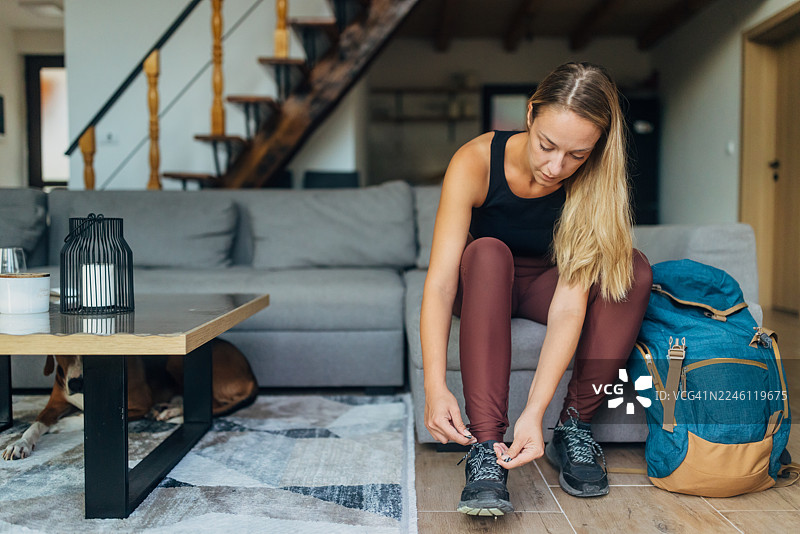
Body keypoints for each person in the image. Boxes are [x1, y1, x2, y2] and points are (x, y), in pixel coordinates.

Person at [420, 62, 653, 516]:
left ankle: (574, 428)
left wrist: (536, 412)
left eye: (577, 155)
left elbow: (569, 305)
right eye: (548, 145)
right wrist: (434, 385)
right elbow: (442, 282)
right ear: (530, 114)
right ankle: (486, 449)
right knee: (487, 251)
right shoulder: (475, 160)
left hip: (549, 283)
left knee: (633, 269)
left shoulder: (594, 182)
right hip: (485, 282)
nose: (555, 166)